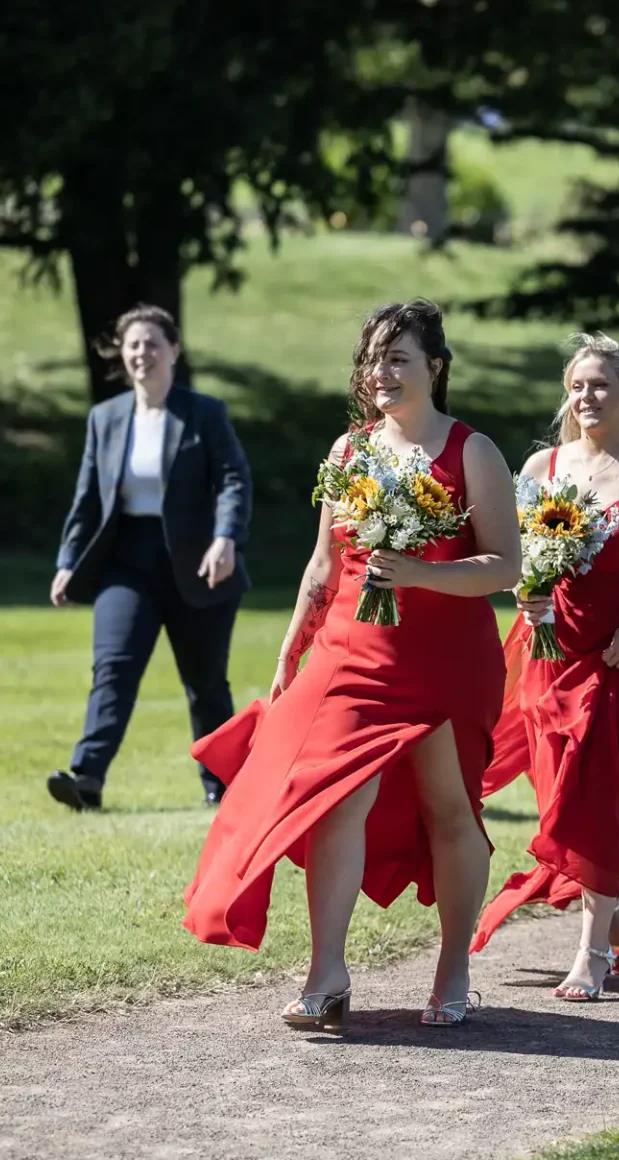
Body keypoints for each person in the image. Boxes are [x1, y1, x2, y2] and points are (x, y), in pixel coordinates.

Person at [182, 300, 519, 1033]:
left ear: (435, 368)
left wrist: (420, 573)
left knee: (448, 809)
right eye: (372, 358)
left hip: (444, 661)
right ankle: (326, 975)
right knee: (335, 796)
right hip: (350, 652)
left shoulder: (472, 451)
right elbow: (324, 565)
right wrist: (290, 648)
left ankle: (453, 967)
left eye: (398, 357)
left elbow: (504, 565)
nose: (381, 372)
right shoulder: (348, 451)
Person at [469, 335, 619, 1000]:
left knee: (592, 789)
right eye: (577, 385)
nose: (587, 396)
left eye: (601, 385)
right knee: (560, 797)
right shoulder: (541, 466)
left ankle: (592, 952)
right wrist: (524, 593)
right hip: (551, 650)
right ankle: (615, 908)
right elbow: (511, 557)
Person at [48, 304, 251, 811]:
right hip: (127, 563)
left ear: (174, 351)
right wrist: (68, 560)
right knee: (113, 667)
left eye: (152, 344)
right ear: (122, 353)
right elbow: (88, 498)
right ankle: (87, 779)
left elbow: (233, 480)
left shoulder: (205, 413)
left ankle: (223, 786)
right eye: (133, 344)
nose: (142, 354)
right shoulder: (106, 418)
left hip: (200, 562)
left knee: (205, 682)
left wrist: (225, 537)